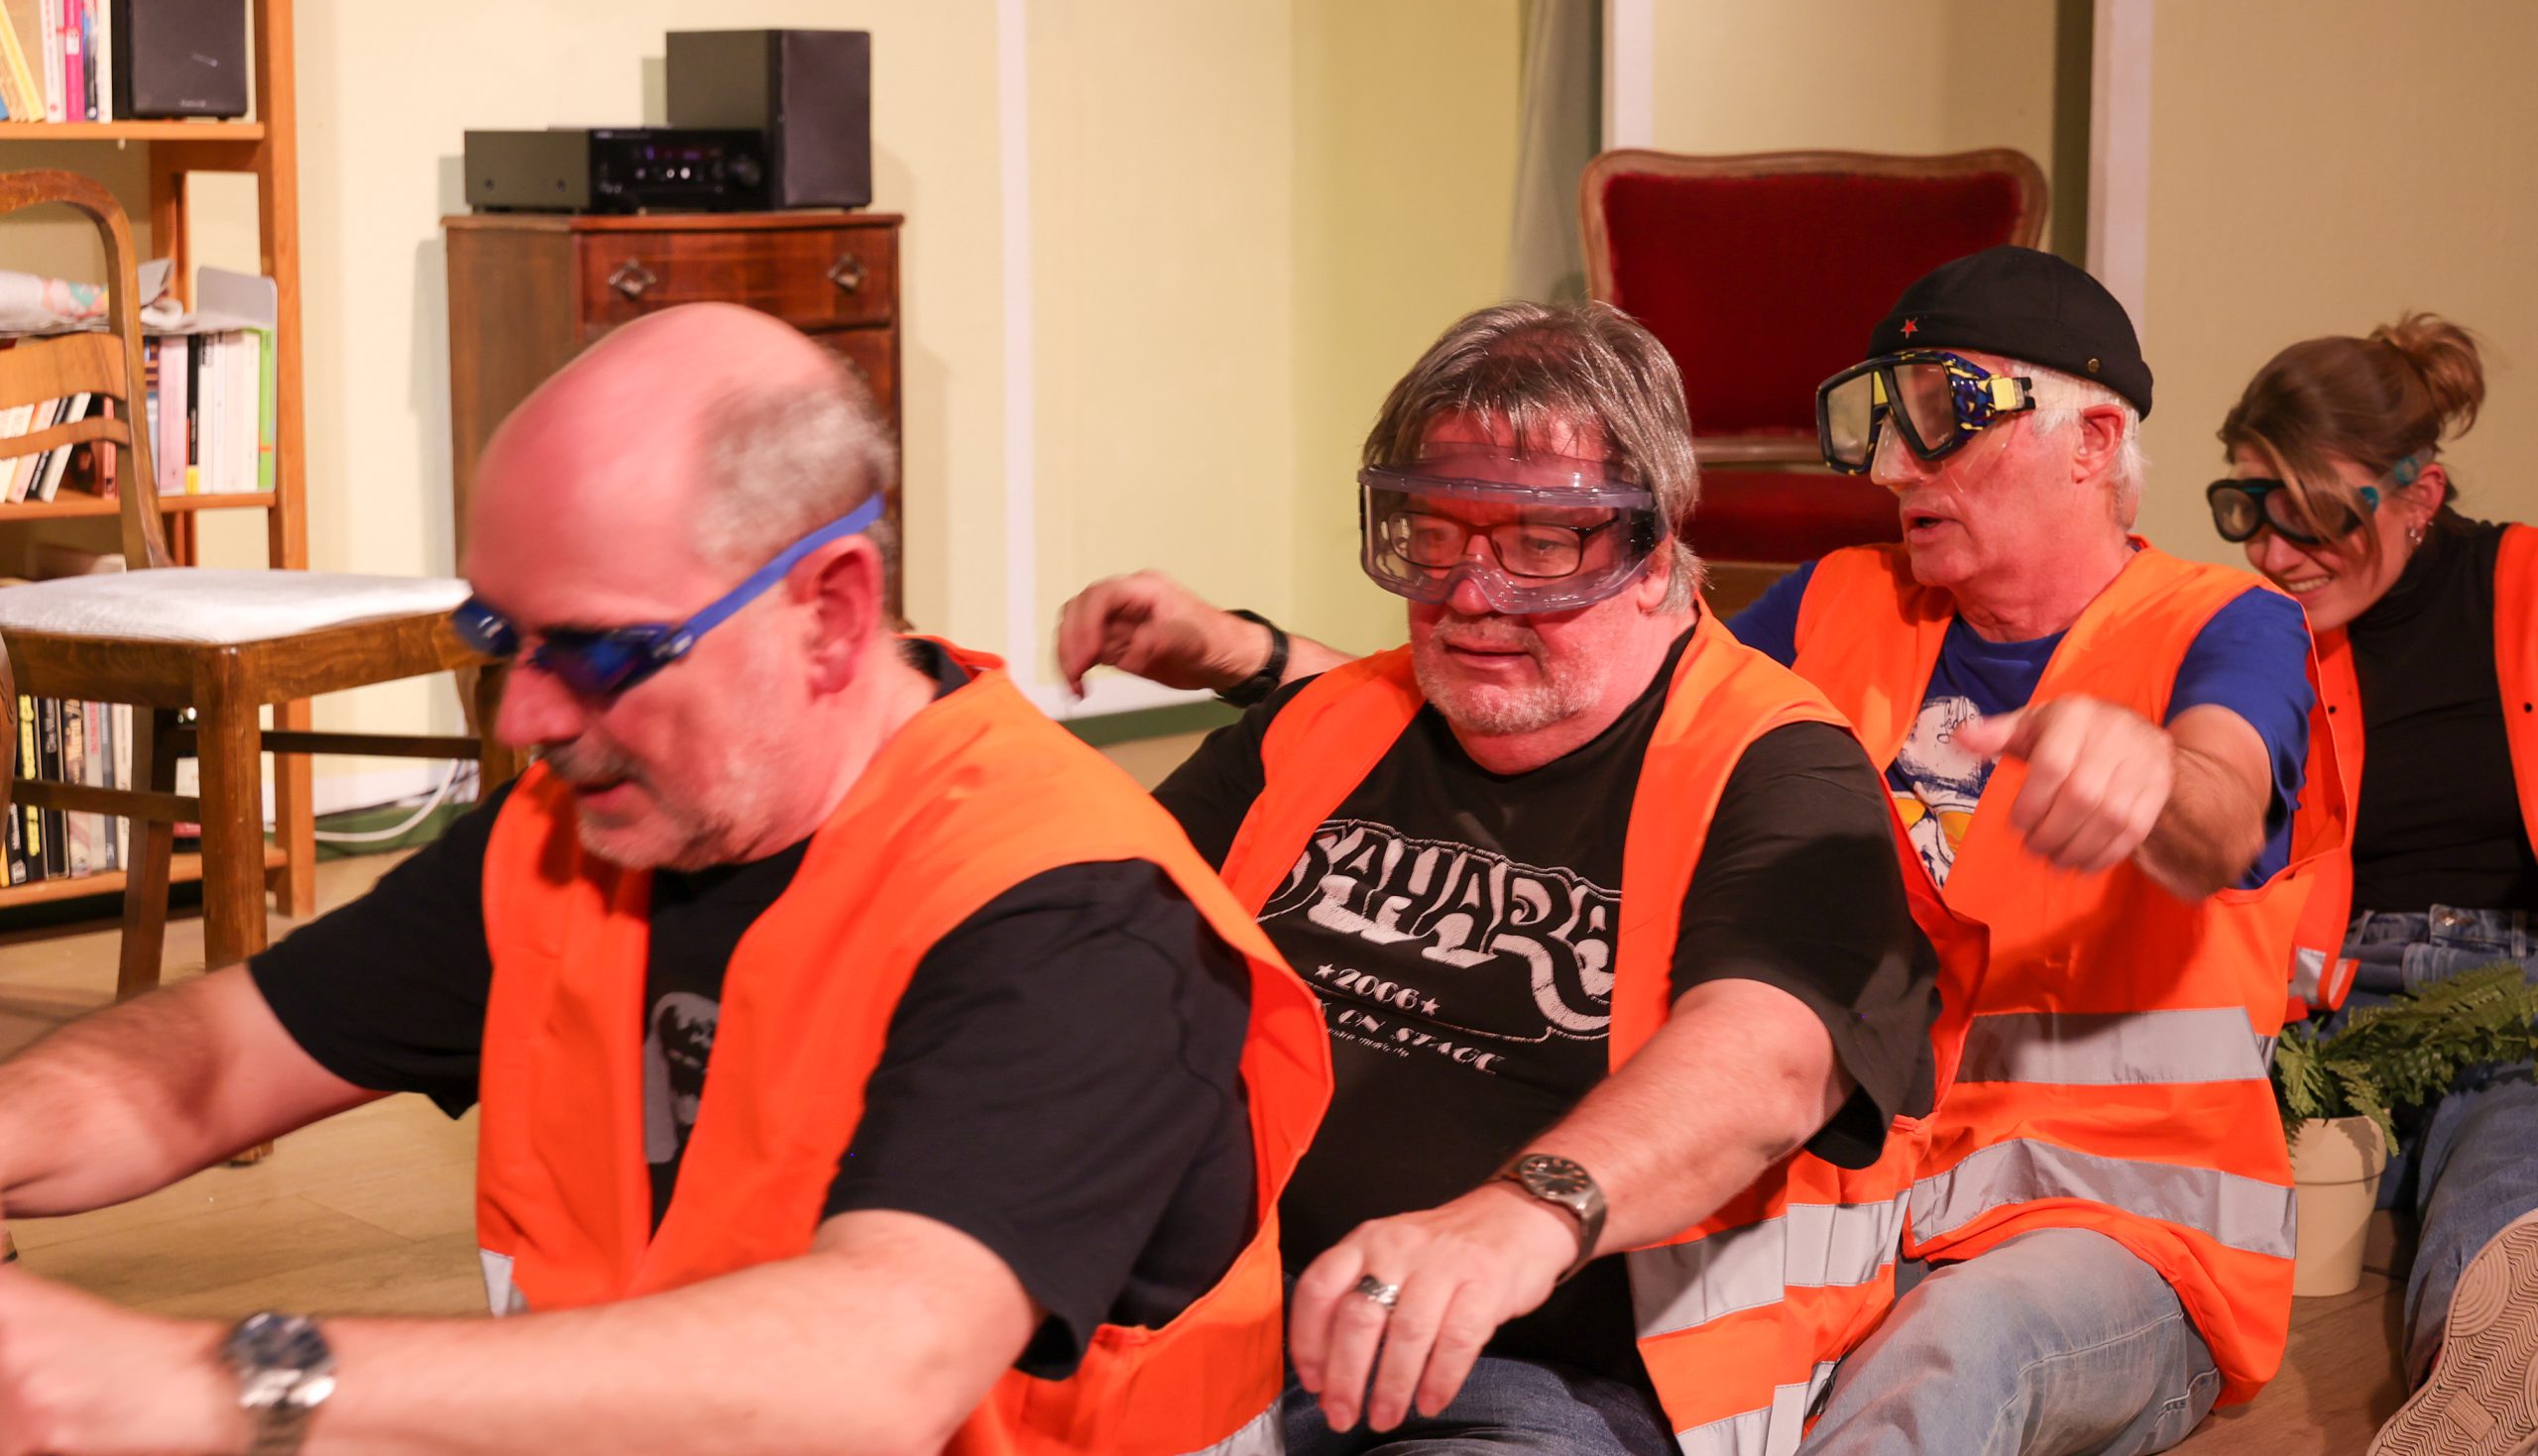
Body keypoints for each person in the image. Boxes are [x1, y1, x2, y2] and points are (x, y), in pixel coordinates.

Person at [0, 304, 1327, 1456]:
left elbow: (876, 1364)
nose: (524, 714)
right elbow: (214, 1059)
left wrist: (212, 1385)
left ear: (830, 611)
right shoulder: (583, 834)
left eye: (597, 653)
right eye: (498, 634)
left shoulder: (1078, 914)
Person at [1058, 301, 1953, 1456]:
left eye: (1538, 546)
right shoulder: (1327, 724)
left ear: (1653, 554)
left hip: (1539, 1380)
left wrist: (1524, 1216)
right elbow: (1087, 931)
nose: (1471, 595)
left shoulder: (1778, 767)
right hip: (1201, 1325)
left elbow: (1768, 1057)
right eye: (1433, 537)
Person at [1723, 245, 2347, 1456]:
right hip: (1857, 1212)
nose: (1891, 465)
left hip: (2121, 1238)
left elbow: (2222, 808)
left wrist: (2156, 776)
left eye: (1940, 414)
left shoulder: (2230, 627)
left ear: (2092, 441)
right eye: (1879, 423)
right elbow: (1631, 731)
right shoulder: (1833, 603)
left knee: (1960, 1345)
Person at [2213, 312, 2538, 1456]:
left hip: (2506, 996)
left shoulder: (2524, 589)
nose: (2271, 551)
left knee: (2509, 1160)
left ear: (2419, 495)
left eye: (2311, 514)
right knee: (2187, 1161)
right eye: (2246, 507)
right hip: (2321, 1006)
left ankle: (2484, 1403)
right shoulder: (2258, 643)